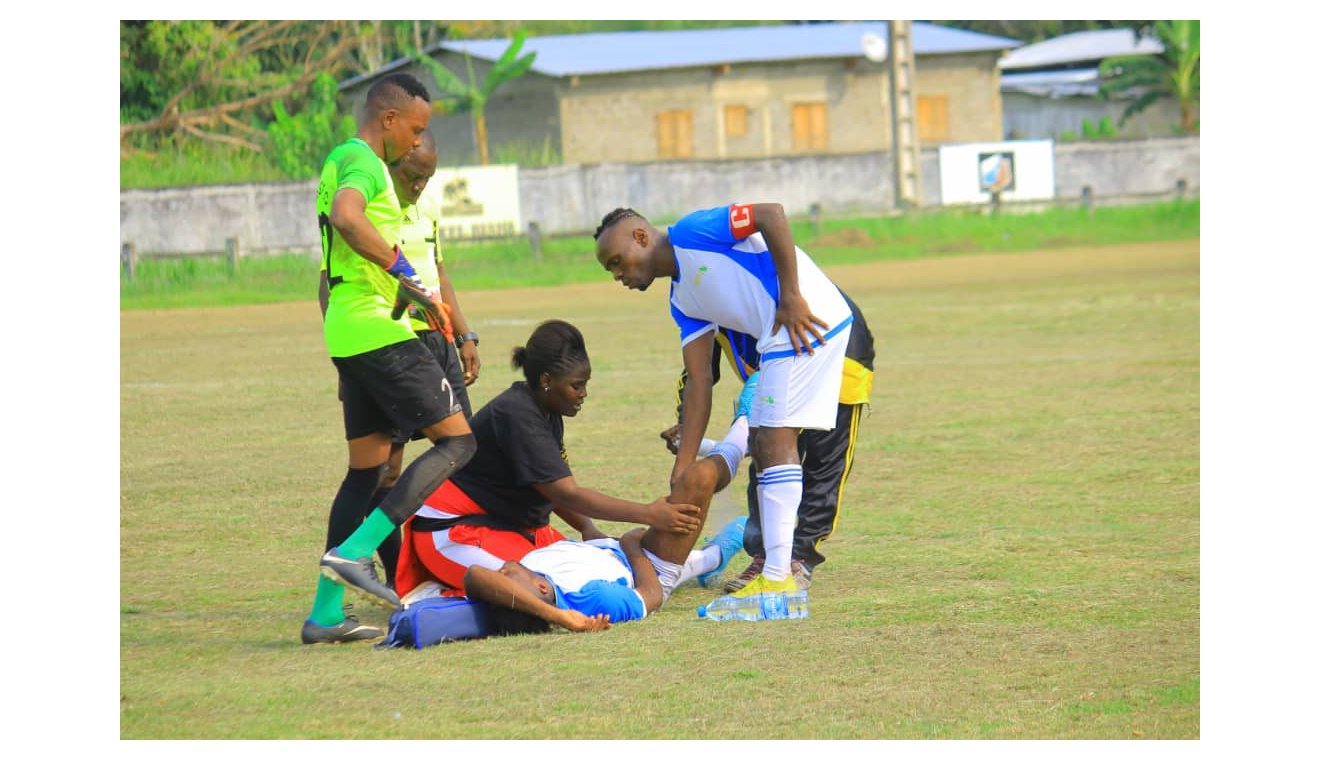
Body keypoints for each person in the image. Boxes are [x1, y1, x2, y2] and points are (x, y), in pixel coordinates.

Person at [594, 202, 854, 601]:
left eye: (617, 261)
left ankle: (778, 576)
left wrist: (790, 297)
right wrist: (682, 468)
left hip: (803, 318)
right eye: (611, 270)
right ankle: (775, 571)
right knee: (766, 443)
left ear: (641, 237)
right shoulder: (682, 303)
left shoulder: (692, 231)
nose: (618, 275)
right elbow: (699, 382)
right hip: (781, 338)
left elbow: (771, 215)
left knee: (774, 441)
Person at [302, 72, 478, 645]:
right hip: (376, 332)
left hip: (348, 329)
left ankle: (325, 614)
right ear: (388, 120)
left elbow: (349, 255)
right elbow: (349, 218)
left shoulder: (340, 159)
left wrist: (415, 293)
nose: (416, 141)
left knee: (367, 471)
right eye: (416, 129)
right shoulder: (364, 161)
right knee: (459, 442)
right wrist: (404, 270)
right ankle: (355, 553)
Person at [393, 319, 704, 602]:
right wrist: (649, 514)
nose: (583, 393)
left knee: (600, 564)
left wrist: (587, 528)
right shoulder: (517, 414)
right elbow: (564, 492)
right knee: (543, 590)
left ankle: (707, 559)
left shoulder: (546, 410)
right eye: (576, 385)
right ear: (546, 380)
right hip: (452, 532)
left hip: (502, 528)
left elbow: (547, 485)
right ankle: (437, 593)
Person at [462, 400, 756, 634]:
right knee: (697, 478)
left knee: (700, 556)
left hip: (611, 548)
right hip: (650, 564)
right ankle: (747, 424)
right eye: (506, 579)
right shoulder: (592, 600)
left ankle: (714, 556)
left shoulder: (531, 571)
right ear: (539, 589)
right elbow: (651, 597)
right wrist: (631, 543)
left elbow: (475, 576)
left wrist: (590, 531)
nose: (500, 572)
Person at [660, 291, 875, 592]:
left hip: (840, 357)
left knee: (823, 464)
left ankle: (798, 557)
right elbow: (699, 372)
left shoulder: (749, 281)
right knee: (766, 456)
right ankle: (766, 555)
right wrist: (686, 423)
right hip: (773, 374)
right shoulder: (702, 301)